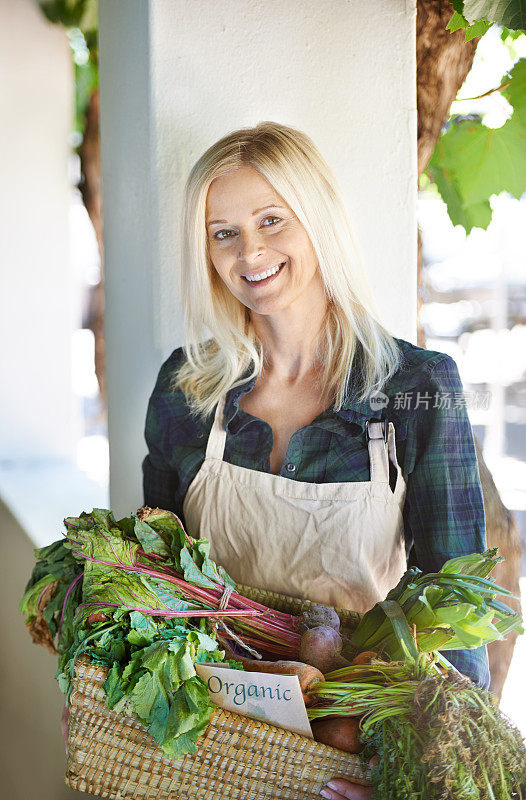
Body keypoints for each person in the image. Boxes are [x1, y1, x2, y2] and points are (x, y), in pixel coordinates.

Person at [143, 121, 489, 800]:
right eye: (224, 233)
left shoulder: (414, 388)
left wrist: (423, 780)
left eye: (273, 220)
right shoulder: (186, 390)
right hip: (209, 749)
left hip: (351, 748)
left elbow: (459, 614)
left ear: (319, 220)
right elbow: (153, 574)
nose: (251, 252)